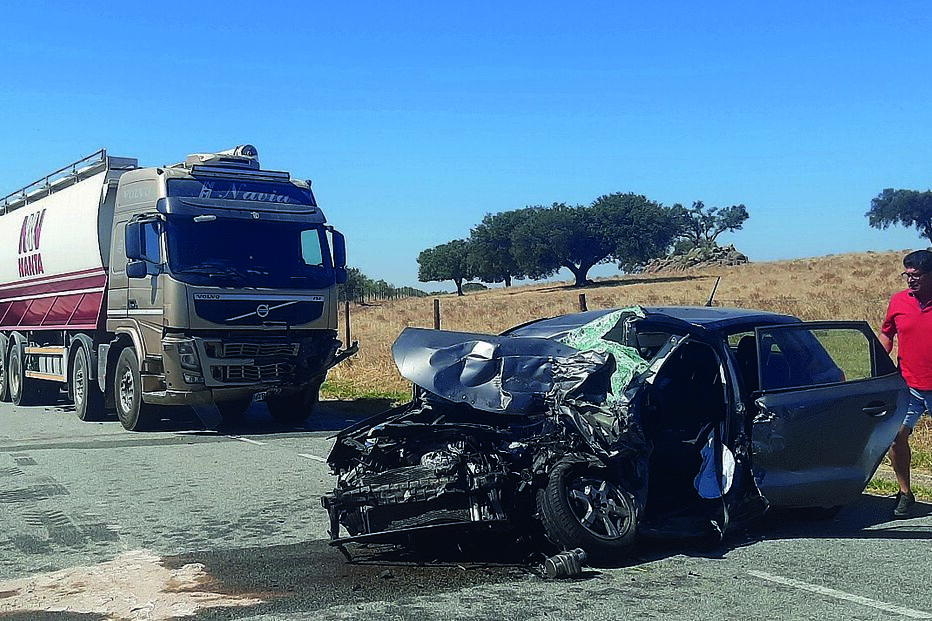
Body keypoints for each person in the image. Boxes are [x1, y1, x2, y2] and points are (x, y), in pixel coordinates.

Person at [880, 249, 932, 518]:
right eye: (907, 275)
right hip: (908, 385)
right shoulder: (899, 301)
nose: (910, 280)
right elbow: (886, 333)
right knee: (895, 438)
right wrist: (878, 362)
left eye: (916, 275)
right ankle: (905, 494)